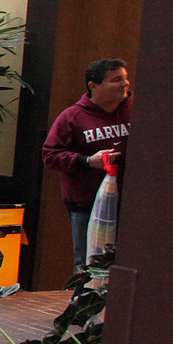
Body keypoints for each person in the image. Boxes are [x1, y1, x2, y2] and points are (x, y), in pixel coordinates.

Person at [42, 58, 131, 264]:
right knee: (89, 263)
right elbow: (50, 155)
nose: (124, 84)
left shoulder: (138, 109)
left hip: (131, 204)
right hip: (88, 205)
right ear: (93, 86)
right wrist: (88, 161)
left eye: (125, 78)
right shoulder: (72, 117)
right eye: (116, 80)